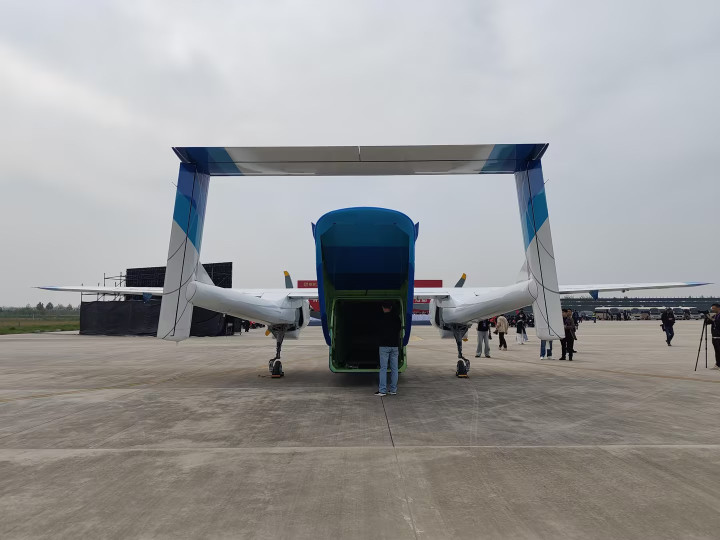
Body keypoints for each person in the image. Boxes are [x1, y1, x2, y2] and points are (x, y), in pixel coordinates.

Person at [375, 301, 401, 396]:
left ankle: (382, 390)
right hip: (394, 346)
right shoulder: (397, 318)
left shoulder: (380, 318)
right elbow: (399, 329)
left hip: (384, 346)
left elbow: (377, 330)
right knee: (394, 369)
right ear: (391, 308)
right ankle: (393, 390)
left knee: (383, 368)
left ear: (383, 308)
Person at [707, 303, 720, 370]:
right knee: (717, 351)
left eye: (714, 308)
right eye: (712, 308)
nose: (713, 310)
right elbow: (708, 322)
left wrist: (713, 319)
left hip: (719, 336)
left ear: (718, 308)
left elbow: (718, 323)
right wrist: (707, 317)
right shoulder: (715, 315)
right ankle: (717, 364)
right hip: (714, 336)